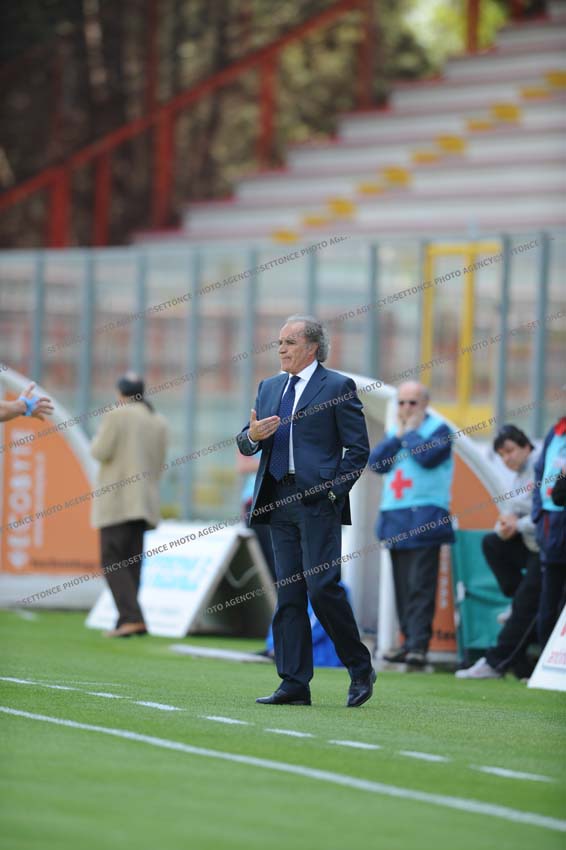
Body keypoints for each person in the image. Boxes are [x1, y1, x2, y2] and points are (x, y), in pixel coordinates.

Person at [237, 315, 375, 707]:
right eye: (279, 342)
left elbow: (358, 449)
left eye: (289, 342)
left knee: (322, 588)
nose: (281, 349)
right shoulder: (269, 387)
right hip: (277, 498)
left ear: (312, 347)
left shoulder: (337, 386)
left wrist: (333, 492)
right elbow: (245, 441)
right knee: (289, 593)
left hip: (318, 502)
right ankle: (294, 683)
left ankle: (359, 667)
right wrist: (252, 437)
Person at [369, 381, 454, 669]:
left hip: (425, 518)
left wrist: (411, 433)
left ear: (425, 404)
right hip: (396, 518)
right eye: (402, 402)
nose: (406, 408)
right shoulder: (397, 432)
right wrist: (399, 436)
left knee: (421, 586)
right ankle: (408, 643)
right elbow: (377, 463)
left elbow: (427, 458)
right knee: (403, 587)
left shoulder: (439, 430)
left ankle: (418, 646)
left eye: (412, 403)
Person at [456, 425, 540, 680]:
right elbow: (511, 512)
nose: (507, 459)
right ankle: (517, 599)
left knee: (530, 605)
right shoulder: (519, 475)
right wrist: (505, 526)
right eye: (502, 455)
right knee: (493, 542)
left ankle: (495, 663)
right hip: (533, 544)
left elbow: (547, 513)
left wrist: (518, 524)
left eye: (510, 451)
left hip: (549, 547)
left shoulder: (541, 467)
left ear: (526, 446)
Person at [91, 372, 168, 638]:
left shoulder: (117, 415)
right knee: (132, 562)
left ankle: (131, 617)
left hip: (118, 499)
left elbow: (99, 451)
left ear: (120, 393)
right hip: (144, 500)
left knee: (112, 559)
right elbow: (160, 461)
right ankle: (128, 619)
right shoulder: (157, 420)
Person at [532, 414, 566, 645]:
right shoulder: (555, 433)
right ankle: (547, 655)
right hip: (551, 523)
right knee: (550, 597)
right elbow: (541, 474)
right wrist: (537, 514)